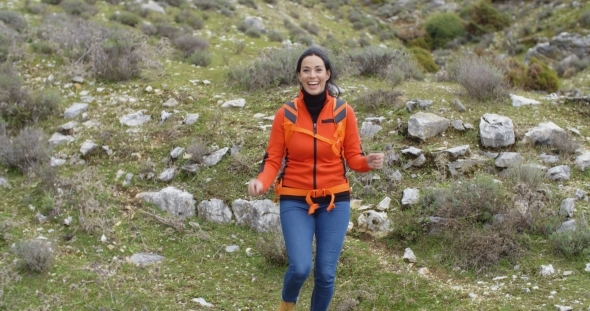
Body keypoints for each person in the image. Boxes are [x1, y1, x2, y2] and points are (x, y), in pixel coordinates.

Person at [248, 46, 384, 311]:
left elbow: (353, 158)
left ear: (327, 74)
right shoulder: (285, 114)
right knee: (300, 267)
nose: (313, 75)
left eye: (318, 70)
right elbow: (273, 159)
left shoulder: (344, 112)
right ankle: (287, 305)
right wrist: (261, 182)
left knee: (325, 273)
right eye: (306, 70)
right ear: (299, 76)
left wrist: (367, 163)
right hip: (295, 199)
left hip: (335, 199)